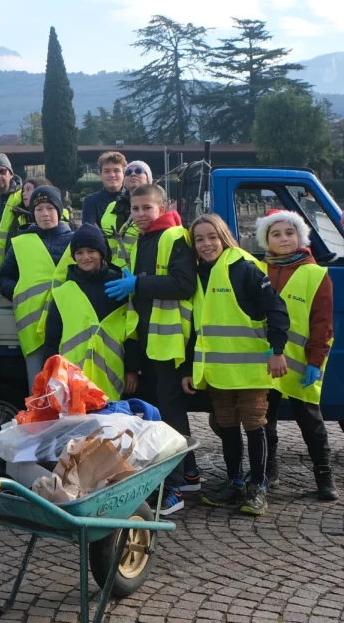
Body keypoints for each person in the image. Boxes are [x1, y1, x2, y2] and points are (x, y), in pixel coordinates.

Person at [182, 214, 289, 517]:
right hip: (219, 373)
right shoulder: (201, 273)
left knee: (256, 427)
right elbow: (199, 329)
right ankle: (235, 482)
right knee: (227, 427)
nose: (206, 244)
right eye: (199, 239)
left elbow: (276, 309)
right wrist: (190, 369)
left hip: (251, 370)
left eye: (211, 237)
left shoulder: (244, 268)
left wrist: (277, 350)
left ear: (224, 237)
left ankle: (259, 486)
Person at [104, 183, 197, 515]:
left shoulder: (173, 237)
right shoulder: (145, 239)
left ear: (162, 208)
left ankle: (180, 481)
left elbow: (184, 285)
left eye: (147, 208)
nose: (140, 214)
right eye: (135, 208)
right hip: (150, 341)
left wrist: (138, 283)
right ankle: (185, 474)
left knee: (169, 415)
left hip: (169, 342)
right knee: (159, 414)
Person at [254, 209, 337, 500]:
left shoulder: (316, 274)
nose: (283, 238)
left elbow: (322, 323)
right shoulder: (256, 269)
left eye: (289, 233)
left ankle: (324, 475)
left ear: (300, 236)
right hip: (265, 360)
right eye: (276, 234)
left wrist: (315, 360)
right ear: (267, 239)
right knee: (265, 420)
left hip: (302, 362)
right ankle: (269, 469)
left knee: (311, 422)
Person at [0, 186, 74, 390]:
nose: (45, 214)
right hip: (32, 326)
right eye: (38, 209)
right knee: (39, 389)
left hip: (70, 325)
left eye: (50, 208)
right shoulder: (21, 243)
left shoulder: (75, 241)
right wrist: (19, 293)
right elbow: (3, 276)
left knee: (69, 390)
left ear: (59, 210)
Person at [43, 223, 133, 400]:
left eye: (91, 251)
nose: (86, 257)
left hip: (112, 375)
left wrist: (132, 369)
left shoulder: (117, 287)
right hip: (73, 376)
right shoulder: (63, 292)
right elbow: (52, 337)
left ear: (102, 253)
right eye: (79, 252)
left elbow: (131, 332)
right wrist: (51, 372)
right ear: (73, 256)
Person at [100, 161, 152, 270]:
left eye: (138, 171)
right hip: (115, 272)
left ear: (148, 178)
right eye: (128, 172)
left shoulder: (156, 207)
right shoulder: (112, 207)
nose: (133, 174)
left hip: (143, 273)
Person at [80, 151, 127, 228]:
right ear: (100, 175)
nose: (112, 175)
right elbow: (90, 233)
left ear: (124, 174)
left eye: (116, 171)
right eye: (107, 171)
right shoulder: (91, 201)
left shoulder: (133, 199)